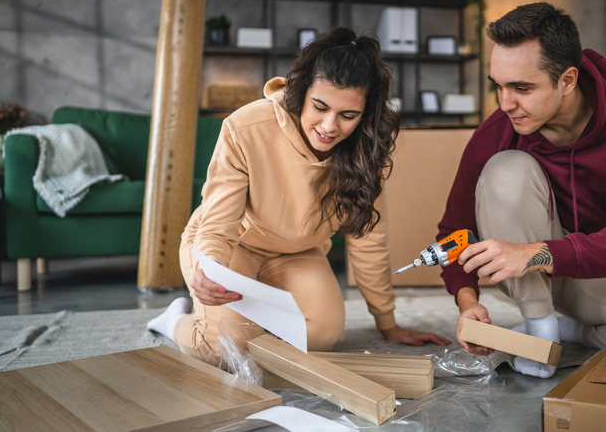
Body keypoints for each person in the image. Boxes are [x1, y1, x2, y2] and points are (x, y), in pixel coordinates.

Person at [438, 2, 606, 379]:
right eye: (498, 86)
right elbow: (454, 231)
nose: (506, 104)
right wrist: (467, 300)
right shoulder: (497, 132)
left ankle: (576, 333)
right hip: (530, 280)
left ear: (567, 80)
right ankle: (540, 329)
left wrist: (534, 253)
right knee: (506, 169)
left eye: (522, 88)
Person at [148, 26, 450, 365]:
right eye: (319, 107)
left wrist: (388, 324)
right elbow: (219, 221)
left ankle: (250, 321)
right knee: (224, 350)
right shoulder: (245, 127)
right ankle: (174, 318)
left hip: (296, 254)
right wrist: (211, 267)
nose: (329, 126)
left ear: (365, 114)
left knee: (322, 337)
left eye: (348, 115)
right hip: (234, 245)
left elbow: (368, 243)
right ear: (301, 91)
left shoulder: (367, 151)